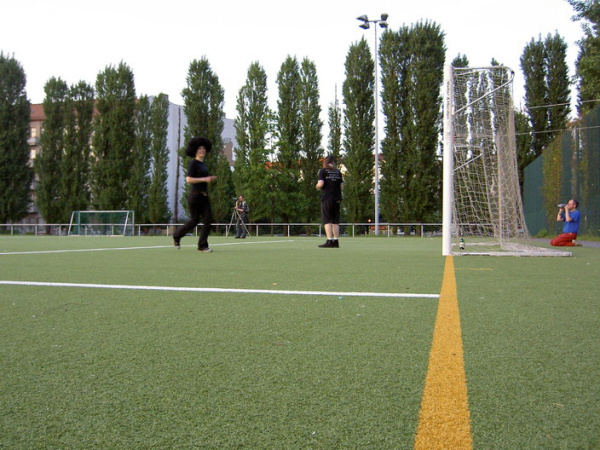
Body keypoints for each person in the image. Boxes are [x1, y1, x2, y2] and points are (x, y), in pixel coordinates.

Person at [172, 136, 217, 252]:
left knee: (208, 221)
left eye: (203, 148)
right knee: (194, 221)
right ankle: (177, 236)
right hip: (195, 196)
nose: (202, 150)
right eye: (199, 149)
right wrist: (205, 179)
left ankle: (202, 246)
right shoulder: (193, 163)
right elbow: (189, 180)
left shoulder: (203, 164)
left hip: (204, 196)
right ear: (195, 150)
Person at [316, 155, 343, 248]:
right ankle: (336, 241)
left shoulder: (323, 171)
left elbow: (320, 184)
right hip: (337, 198)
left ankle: (329, 241)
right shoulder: (338, 171)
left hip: (327, 197)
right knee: (335, 221)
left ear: (325, 162)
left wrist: (317, 186)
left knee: (326, 220)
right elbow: (342, 187)